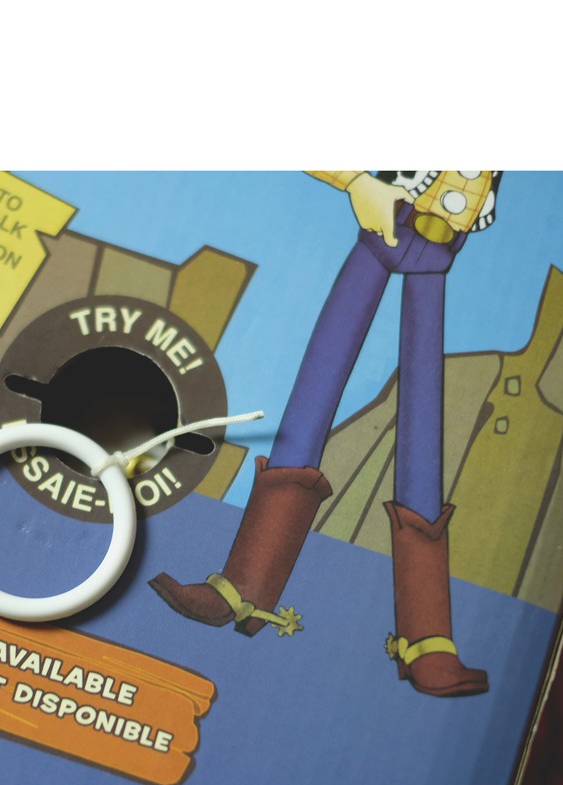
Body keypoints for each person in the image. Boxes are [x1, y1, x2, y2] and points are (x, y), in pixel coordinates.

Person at [150, 171, 501, 698]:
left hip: (440, 246)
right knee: (314, 393)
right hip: (382, 222)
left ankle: (427, 642)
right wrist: (357, 180)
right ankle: (241, 589)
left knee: (423, 419)